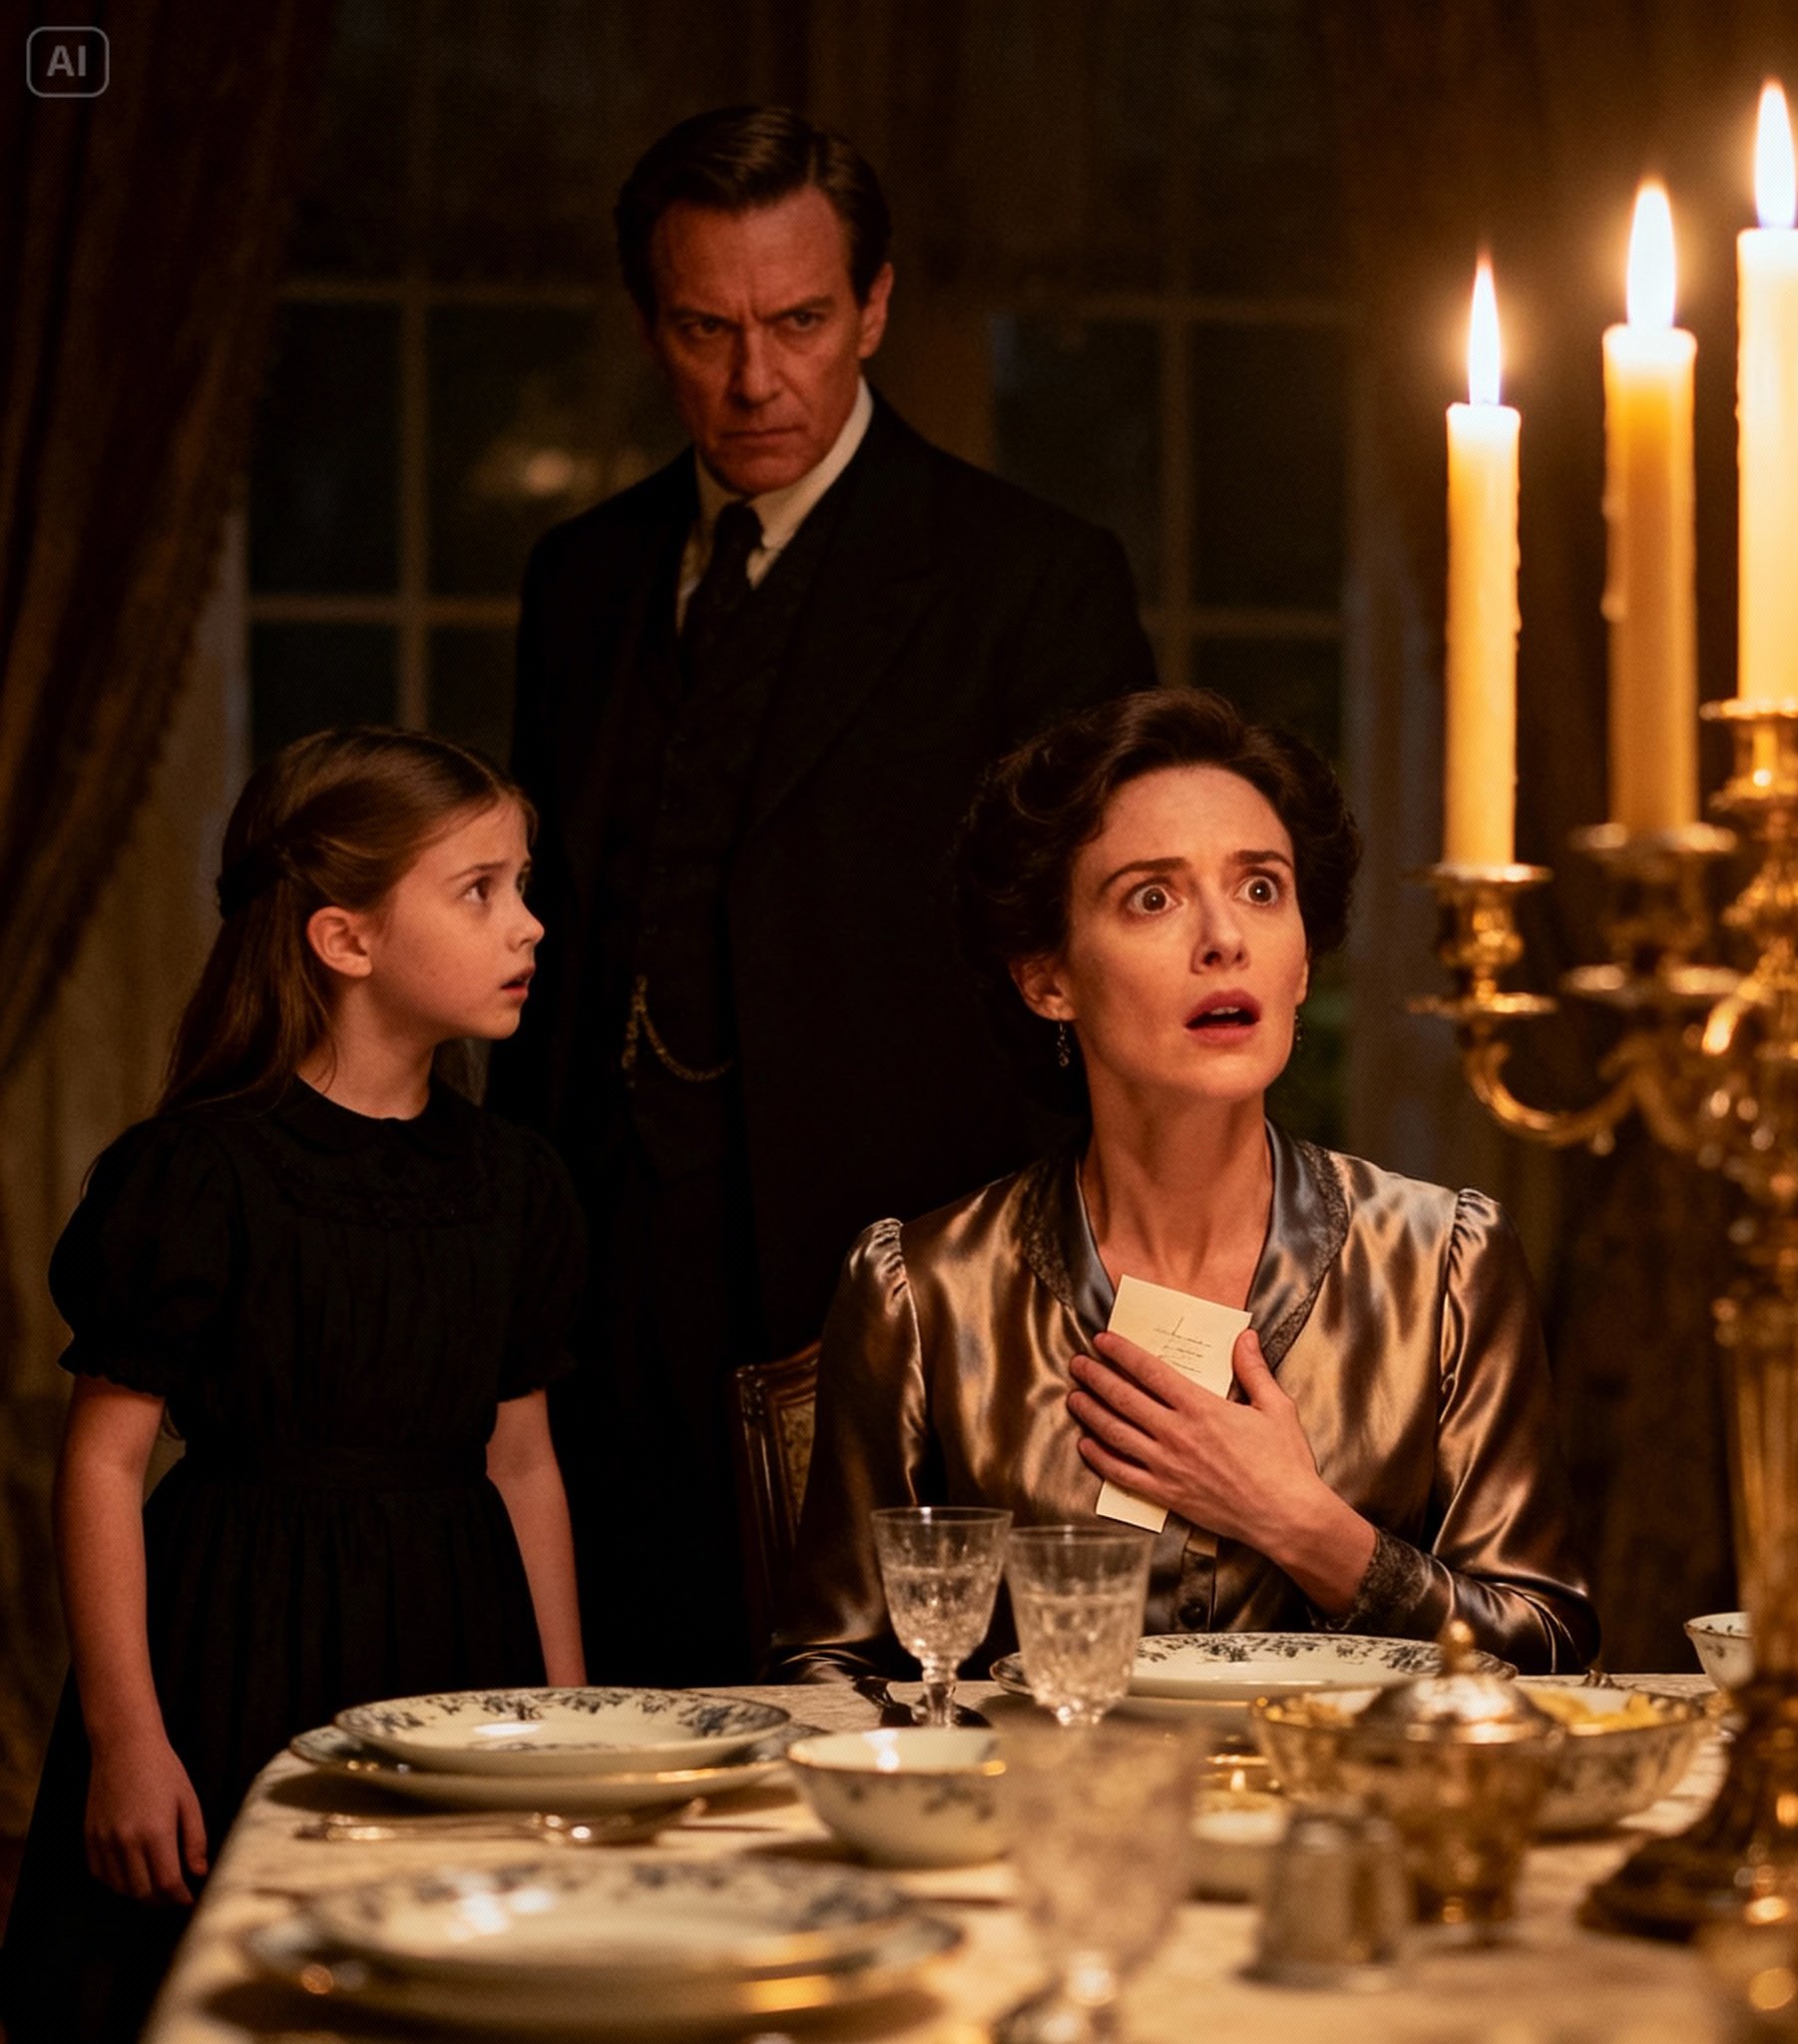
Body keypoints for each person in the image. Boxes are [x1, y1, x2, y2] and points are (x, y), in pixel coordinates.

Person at [490, 104, 1154, 1686]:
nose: (754, 380)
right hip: (600, 1279)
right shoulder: (580, 580)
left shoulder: (1029, 579)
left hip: (895, 1280)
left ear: (874, 308)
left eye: (796, 322)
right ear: (648, 324)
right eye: (704, 329)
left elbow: (1103, 962)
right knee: (623, 1720)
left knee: (881, 1726)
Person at [770, 691, 1598, 1681]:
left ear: (1302, 961)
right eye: (1151, 899)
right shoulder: (923, 1290)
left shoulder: (1446, 1262)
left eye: (1261, 888)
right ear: (1047, 978)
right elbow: (828, 1672)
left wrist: (1304, 1525)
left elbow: (1550, 1653)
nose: (1223, 938)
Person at [0, 729, 585, 2044]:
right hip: (235, 1645)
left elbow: (522, 1462)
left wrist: (566, 1719)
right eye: (479, 890)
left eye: (522, 883)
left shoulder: (519, 1182)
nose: (529, 924)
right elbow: (102, 1464)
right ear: (344, 937)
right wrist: (127, 1740)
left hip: (455, 1637)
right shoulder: (197, 1175)